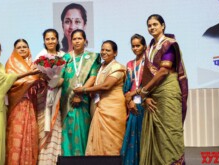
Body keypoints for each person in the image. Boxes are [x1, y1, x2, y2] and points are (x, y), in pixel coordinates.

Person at [139, 14, 188, 165]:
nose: (152, 27)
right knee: (155, 135)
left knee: (169, 132)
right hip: (153, 95)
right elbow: (147, 76)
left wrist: (145, 90)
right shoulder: (149, 49)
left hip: (168, 93)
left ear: (163, 26)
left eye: (155, 24)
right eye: (149, 25)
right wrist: (145, 96)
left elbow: (164, 71)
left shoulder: (170, 44)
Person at [73, 40, 126, 155]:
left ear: (115, 53)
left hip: (113, 108)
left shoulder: (117, 67)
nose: (104, 52)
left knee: (112, 141)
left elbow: (106, 86)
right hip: (98, 106)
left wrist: (84, 90)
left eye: (108, 50)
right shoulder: (100, 67)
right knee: (98, 140)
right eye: (102, 49)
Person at [60, 29, 100, 156]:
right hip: (66, 100)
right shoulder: (65, 58)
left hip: (83, 100)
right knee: (67, 133)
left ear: (85, 41)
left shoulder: (92, 58)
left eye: (79, 38)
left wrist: (80, 93)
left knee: (82, 131)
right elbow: (61, 78)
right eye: (74, 39)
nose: (77, 41)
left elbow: (93, 77)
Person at [5, 39, 40, 165]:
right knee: (17, 135)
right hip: (17, 104)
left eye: (24, 46)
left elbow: (39, 83)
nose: (22, 49)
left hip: (31, 103)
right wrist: (30, 79)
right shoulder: (10, 64)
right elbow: (11, 83)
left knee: (30, 135)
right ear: (14, 50)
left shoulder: (34, 64)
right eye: (19, 47)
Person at [36, 29, 64, 165]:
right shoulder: (40, 57)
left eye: (53, 38)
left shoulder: (64, 56)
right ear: (44, 41)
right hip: (44, 98)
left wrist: (57, 81)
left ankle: (55, 160)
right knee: (43, 130)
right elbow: (36, 77)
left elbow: (66, 76)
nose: (50, 41)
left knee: (57, 127)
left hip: (59, 96)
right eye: (48, 39)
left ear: (57, 40)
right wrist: (46, 79)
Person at [120, 34, 147, 165]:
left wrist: (135, 94)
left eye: (138, 45)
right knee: (131, 139)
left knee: (145, 138)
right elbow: (125, 88)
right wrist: (129, 102)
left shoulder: (149, 63)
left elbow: (150, 85)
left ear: (144, 46)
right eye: (133, 46)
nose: (135, 48)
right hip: (132, 106)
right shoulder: (129, 64)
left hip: (146, 105)